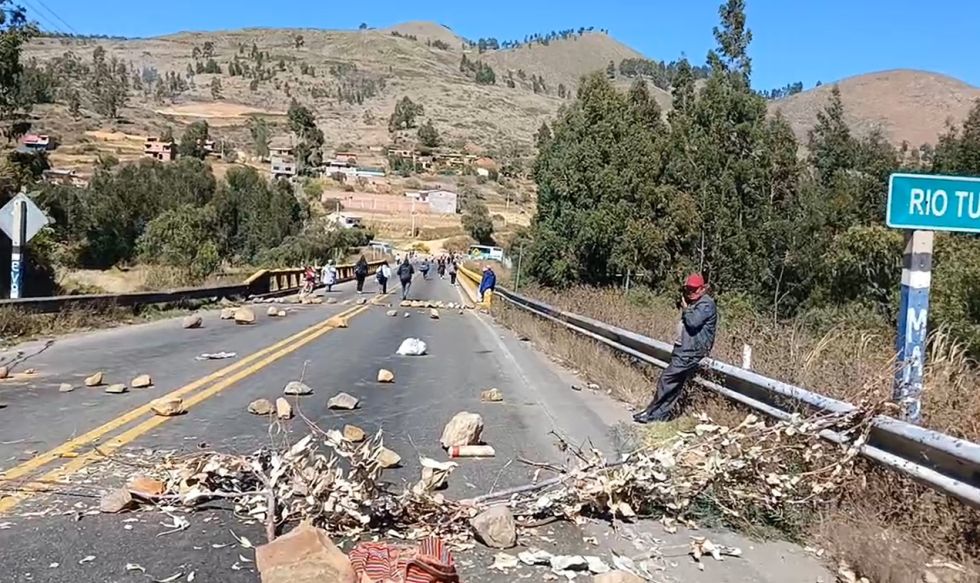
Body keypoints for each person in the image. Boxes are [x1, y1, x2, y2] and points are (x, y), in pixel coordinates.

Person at [633, 273, 718, 424]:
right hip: (684, 349)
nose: (690, 292)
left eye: (693, 289)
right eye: (687, 289)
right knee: (674, 385)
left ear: (702, 288)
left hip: (691, 351)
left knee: (667, 380)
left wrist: (686, 309)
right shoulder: (696, 303)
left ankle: (652, 413)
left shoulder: (706, 304)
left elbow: (693, 322)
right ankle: (660, 415)